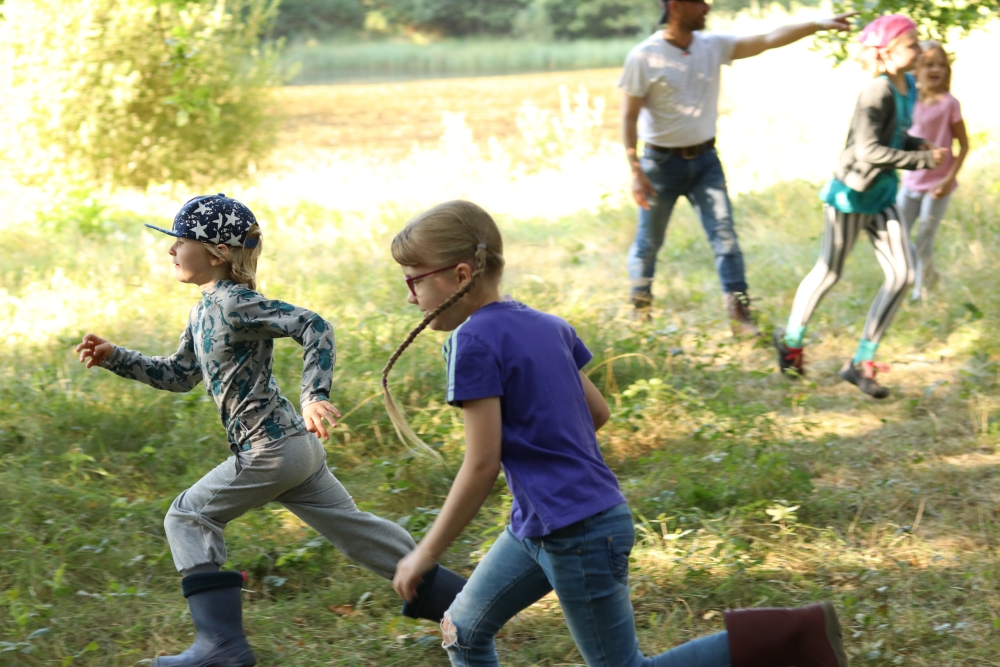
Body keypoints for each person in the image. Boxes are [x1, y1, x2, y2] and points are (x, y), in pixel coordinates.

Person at [382, 199, 849, 667]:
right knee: (461, 630)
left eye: (414, 278)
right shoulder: (547, 326)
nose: (410, 295)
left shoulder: (471, 342)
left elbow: (482, 464)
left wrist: (424, 553)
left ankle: (797, 635)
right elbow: (598, 411)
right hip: (539, 526)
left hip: (576, 532)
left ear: (461, 275)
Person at [75, 194, 464, 667]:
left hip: (270, 449)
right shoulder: (204, 310)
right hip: (293, 450)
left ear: (216, 251)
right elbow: (179, 375)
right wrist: (117, 357)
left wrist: (314, 394)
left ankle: (222, 647)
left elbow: (314, 326)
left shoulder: (237, 303)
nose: (171, 251)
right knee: (360, 535)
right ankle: (467, 605)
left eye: (180, 241)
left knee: (188, 517)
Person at [619, 0, 856, 333]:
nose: (707, 7)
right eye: (699, 2)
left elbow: (770, 37)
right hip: (660, 165)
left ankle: (740, 315)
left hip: (705, 161)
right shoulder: (644, 56)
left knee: (725, 236)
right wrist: (635, 171)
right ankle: (639, 311)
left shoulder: (712, 46)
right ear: (675, 5)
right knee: (648, 242)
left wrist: (818, 24)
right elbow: (628, 118)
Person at [772, 16, 946, 399]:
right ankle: (791, 341)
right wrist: (920, 161)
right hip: (851, 195)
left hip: (883, 194)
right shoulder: (875, 91)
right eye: (912, 45)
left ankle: (860, 362)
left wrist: (917, 145)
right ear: (887, 52)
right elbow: (867, 150)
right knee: (829, 272)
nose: (919, 50)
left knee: (902, 275)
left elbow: (897, 134)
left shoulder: (909, 84)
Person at [897, 41, 969, 300]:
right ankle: (926, 275)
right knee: (896, 234)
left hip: (938, 186)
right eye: (929, 64)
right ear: (915, 67)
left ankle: (922, 291)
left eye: (941, 65)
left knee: (925, 237)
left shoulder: (949, 104)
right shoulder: (908, 100)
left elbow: (964, 145)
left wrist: (949, 180)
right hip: (910, 182)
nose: (935, 70)